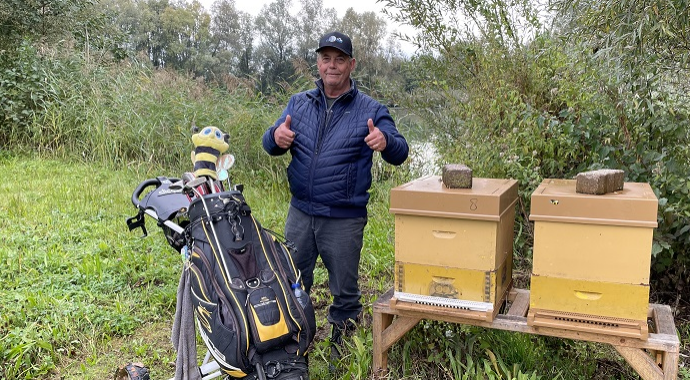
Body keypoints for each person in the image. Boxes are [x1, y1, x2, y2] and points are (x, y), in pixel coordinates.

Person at [262, 31, 409, 368]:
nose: (332, 65)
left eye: (339, 59)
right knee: (293, 284)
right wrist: (275, 136)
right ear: (318, 62)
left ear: (351, 64)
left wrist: (385, 140)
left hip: (343, 219)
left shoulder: (370, 109)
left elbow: (400, 152)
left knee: (344, 292)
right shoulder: (299, 103)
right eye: (326, 58)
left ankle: (338, 358)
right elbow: (269, 144)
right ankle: (293, 350)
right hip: (299, 214)